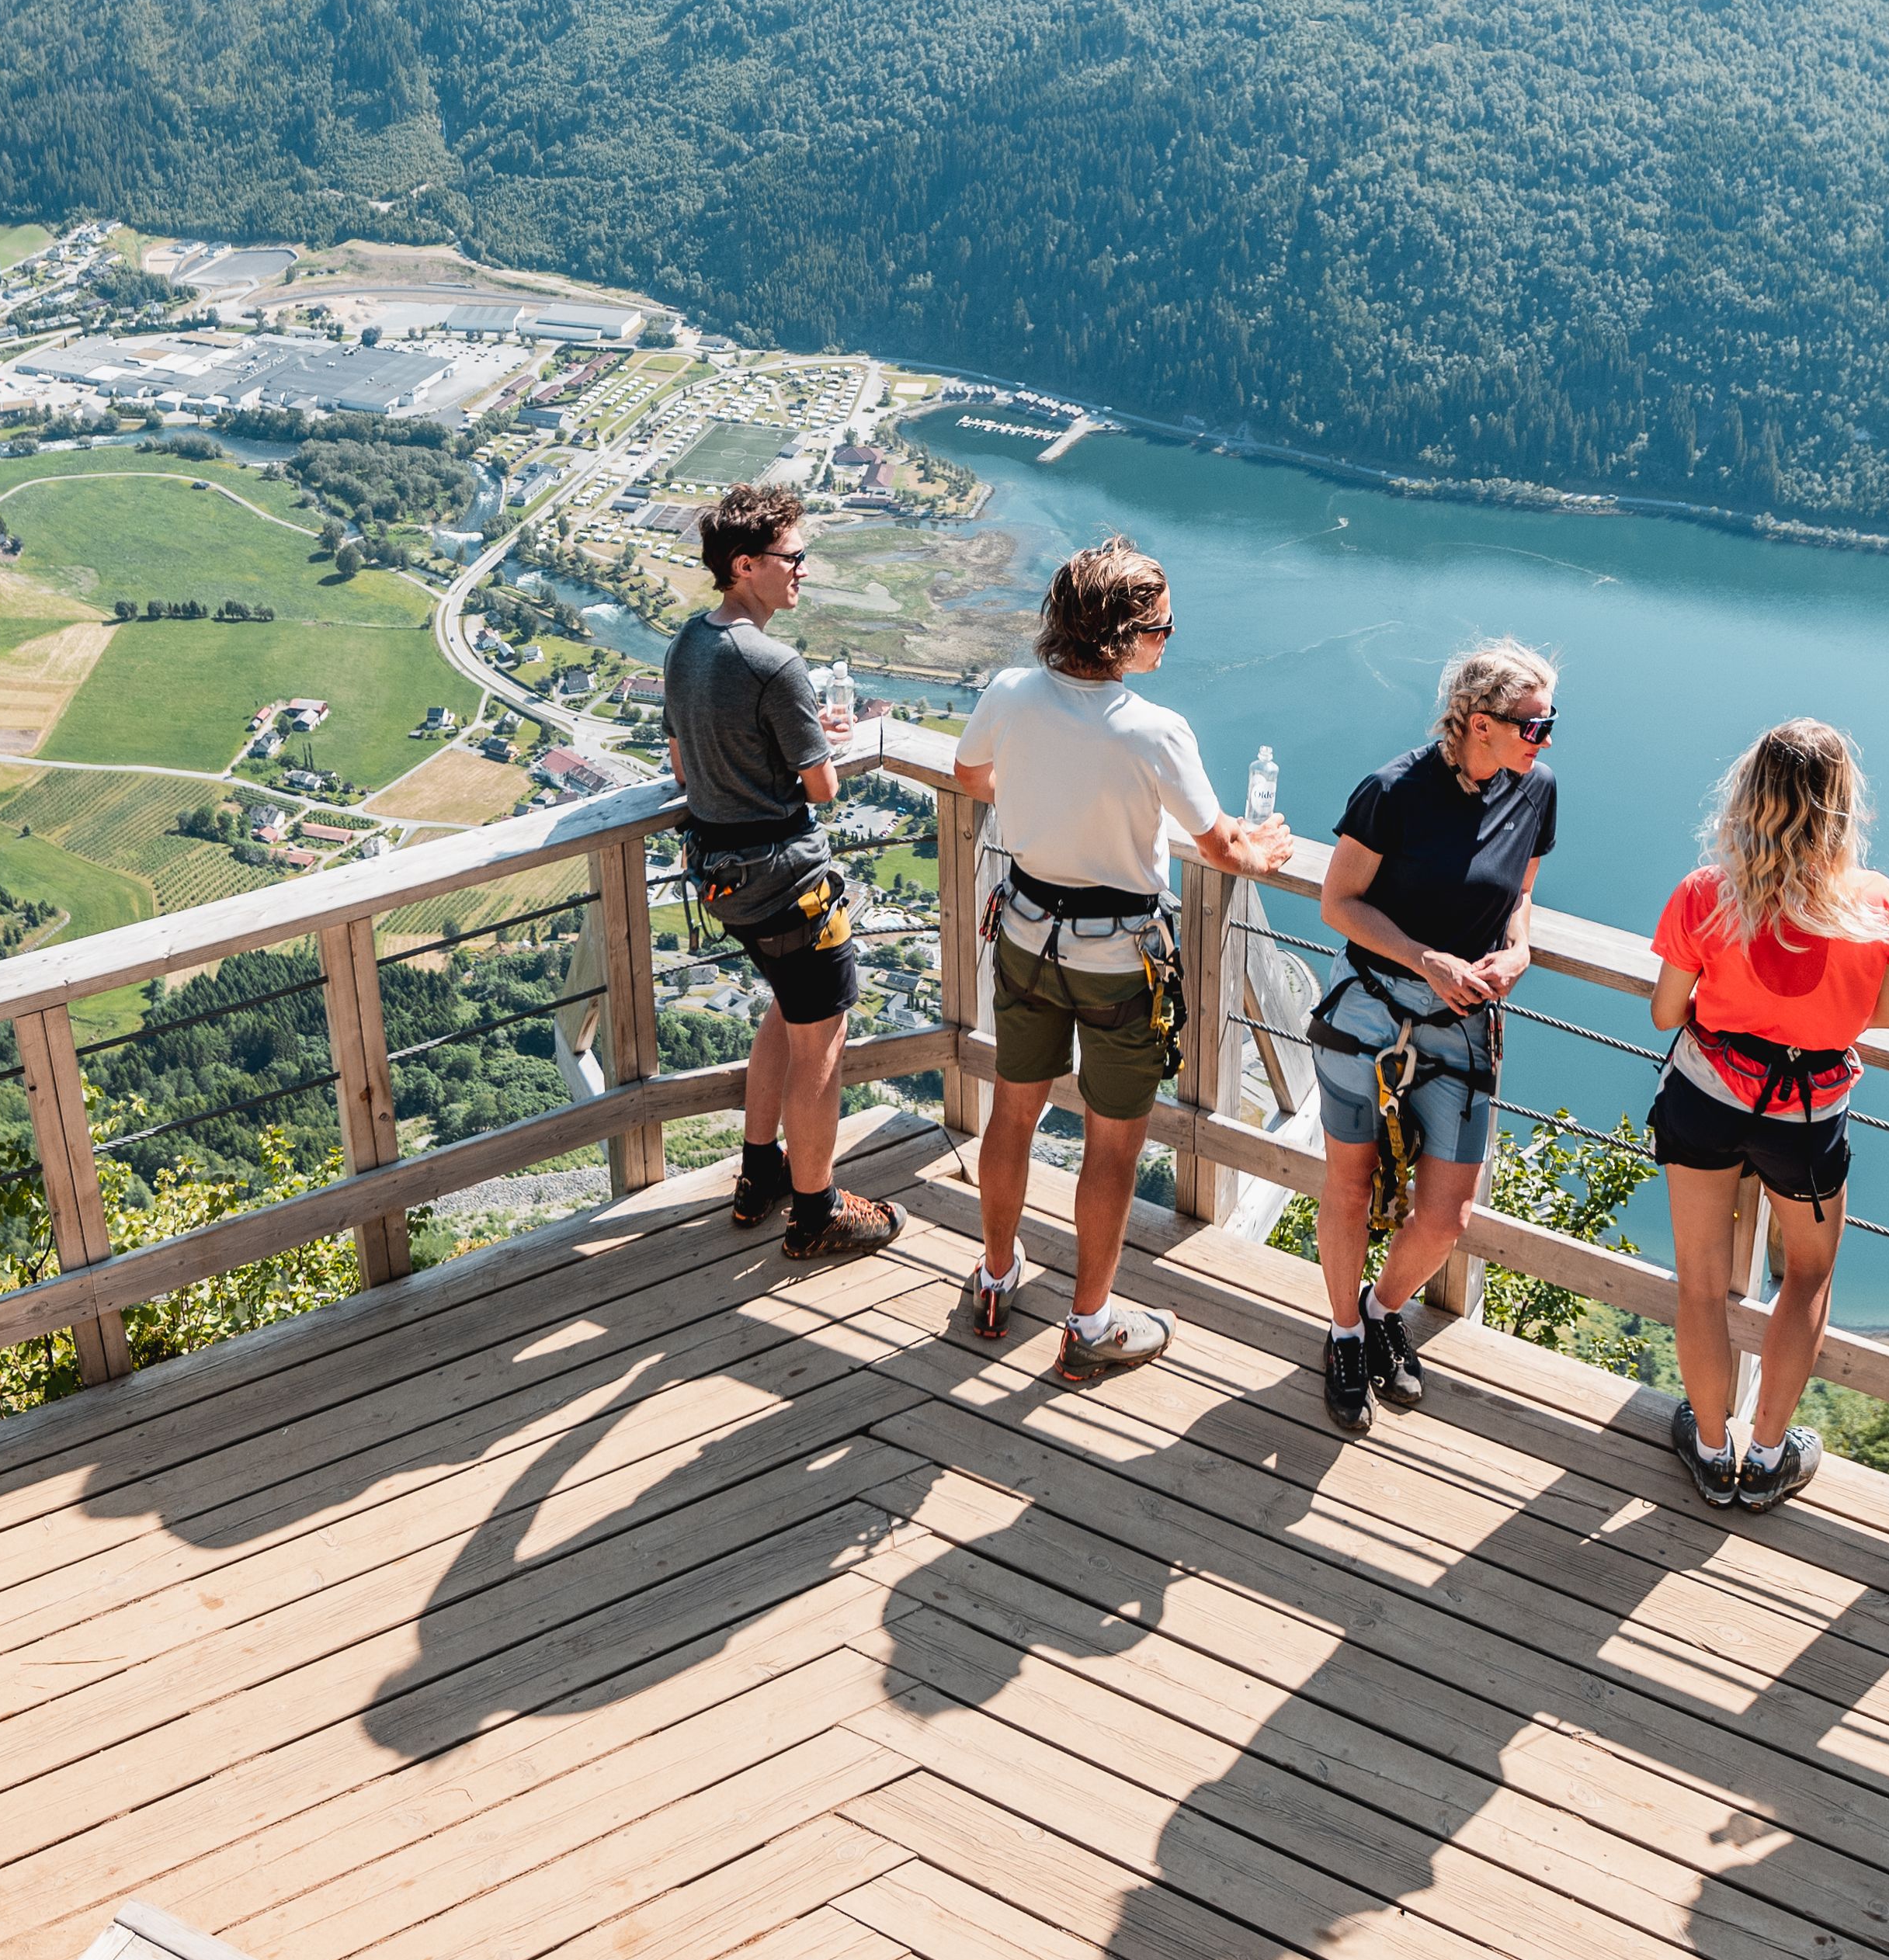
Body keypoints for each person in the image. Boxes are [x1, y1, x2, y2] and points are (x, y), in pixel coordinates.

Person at [943, 545, 1310, 1381]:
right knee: (1110, 1148)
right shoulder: (1154, 731)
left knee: (1011, 1115)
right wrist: (1262, 848)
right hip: (1119, 961)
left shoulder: (1010, 693)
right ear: (1119, 635)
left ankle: (996, 1279)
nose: (1168, 641)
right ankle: (1089, 1325)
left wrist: (1046, 804)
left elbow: (970, 775)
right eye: (1160, 627)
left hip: (1025, 935)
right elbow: (1219, 845)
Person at [1644, 719, 1889, 1517]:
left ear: (1748, 795)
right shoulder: (1876, 905)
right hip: (1804, 1117)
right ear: (1841, 805)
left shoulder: (1706, 893)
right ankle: (1766, 1457)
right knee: (1805, 1275)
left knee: (1699, 1282)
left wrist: (1729, 1002)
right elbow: (1888, 1016)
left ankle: (1705, 1446)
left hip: (1704, 1099)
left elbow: (1668, 1010)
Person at [1304, 640, 1561, 1437]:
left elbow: (1519, 895)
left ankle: (1382, 1311)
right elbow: (1337, 903)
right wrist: (1423, 957)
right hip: (1372, 1014)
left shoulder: (1534, 788)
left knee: (1446, 1215)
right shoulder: (1392, 791)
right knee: (1349, 1187)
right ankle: (1344, 1334)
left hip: (1465, 1025)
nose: (1545, 739)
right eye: (1534, 724)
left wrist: (1518, 950)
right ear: (1479, 722)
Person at [663, 480, 894, 1264]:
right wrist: (818, 742)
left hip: (723, 877)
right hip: (788, 882)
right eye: (792, 557)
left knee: (785, 1013)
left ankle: (758, 1174)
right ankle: (816, 1208)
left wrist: (790, 739)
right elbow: (822, 787)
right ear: (744, 565)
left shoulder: (687, 644)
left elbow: (683, 760)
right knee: (822, 1045)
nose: (803, 569)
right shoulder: (773, 662)